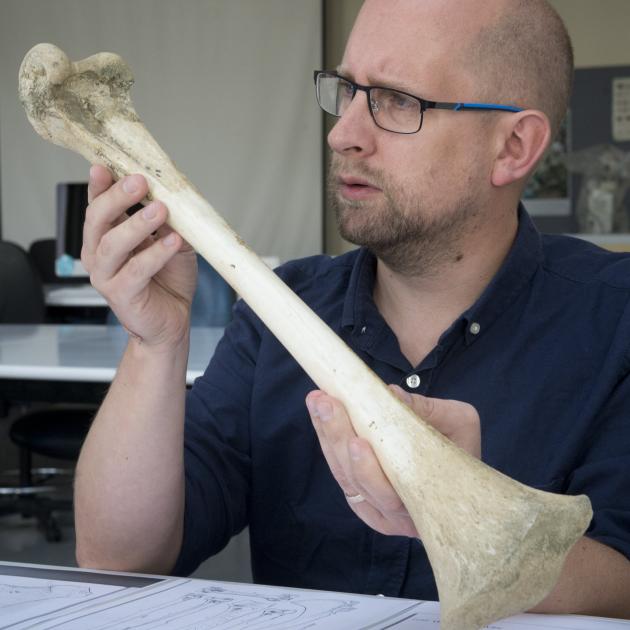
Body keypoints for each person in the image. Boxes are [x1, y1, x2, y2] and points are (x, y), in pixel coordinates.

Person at [74, 0, 630, 618]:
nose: (342, 134)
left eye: (397, 101)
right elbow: (118, 559)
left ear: (514, 147)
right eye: (348, 90)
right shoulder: (280, 309)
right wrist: (156, 343)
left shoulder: (615, 321)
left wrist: (475, 519)